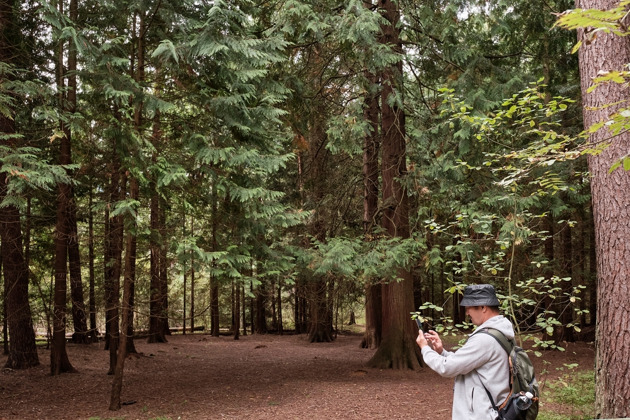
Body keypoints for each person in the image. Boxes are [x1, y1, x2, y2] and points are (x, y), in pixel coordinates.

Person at [415, 284, 514, 420]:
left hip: (481, 415)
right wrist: (442, 352)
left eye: (469, 308)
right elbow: (470, 364)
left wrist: (425, 348)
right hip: (491, 412)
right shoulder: (500, 331)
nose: (467, 313)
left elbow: (447, 367)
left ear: (483, 307)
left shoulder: (485, 339)